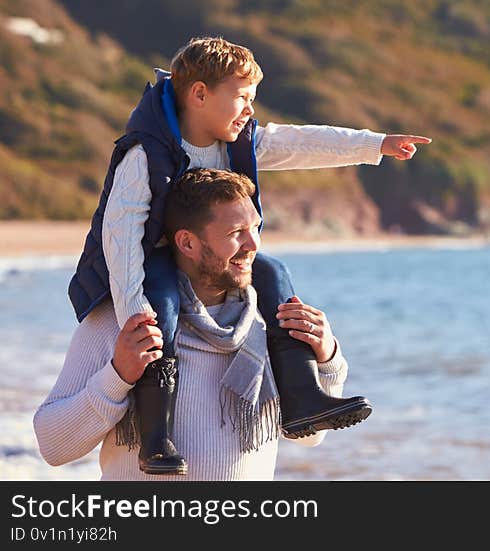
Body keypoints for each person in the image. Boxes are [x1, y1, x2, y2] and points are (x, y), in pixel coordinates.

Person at [66, 36, 431, 475]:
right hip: (153, 264)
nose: (250, 110)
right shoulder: (145, 155)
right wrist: (132, 319)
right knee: (157, 308)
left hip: (209, 260)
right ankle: (155, 435)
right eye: (241, 97)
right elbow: (121, 244)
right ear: (199, 94)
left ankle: (301, 396)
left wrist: (375, 144)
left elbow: (299, 142)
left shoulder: (237, 140)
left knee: (273, 270)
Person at [35, 168, 358, 480]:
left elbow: (308, 438)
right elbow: (54, 447)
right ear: (187, 243)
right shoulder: (123, 321)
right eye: (236, 233)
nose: (253, 245)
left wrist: (327, 358)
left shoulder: (270, 321)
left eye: (256, 228)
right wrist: (118, 375)